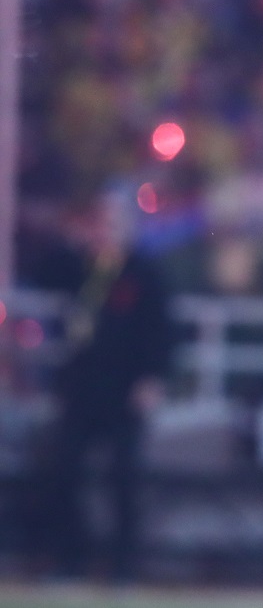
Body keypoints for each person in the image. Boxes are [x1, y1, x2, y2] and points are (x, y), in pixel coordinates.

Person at [43, 186, 175, 583]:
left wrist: (152, 378)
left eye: (113, 223)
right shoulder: (82, 267)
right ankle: (71, 559)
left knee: (123, 479)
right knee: (64, 471)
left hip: (124, 390)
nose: (106, 230)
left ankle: (123, 565)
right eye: (101, 223)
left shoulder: (143, 272)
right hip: (83, 387)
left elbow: (161, 330)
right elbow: (47, 276)